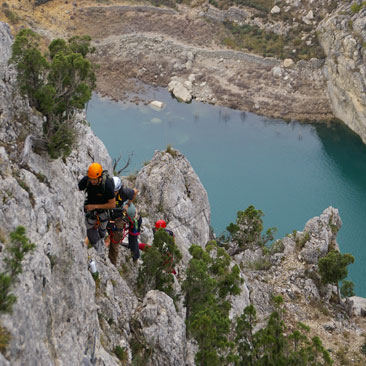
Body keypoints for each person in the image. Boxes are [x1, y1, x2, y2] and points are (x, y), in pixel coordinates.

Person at [78, 163, 115, 259]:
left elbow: (112, 204)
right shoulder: (87, 180)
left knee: (102, 231)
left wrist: (94, 206)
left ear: (100, 177)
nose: (92, 181)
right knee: (90, 231)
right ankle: (100, 253)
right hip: (91, 211)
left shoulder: (107, 185)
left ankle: (101, 241)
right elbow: (75, 190)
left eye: (94, 179)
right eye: (91, 179)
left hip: (103, 211)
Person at [107, 176, 140, 264]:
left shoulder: (125, 192)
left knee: (130, 239)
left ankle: (134, 258)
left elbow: (135, 192)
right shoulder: (107, 192)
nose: (114, 193)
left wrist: (128, 204)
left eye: (115, 191)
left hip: (126, 217)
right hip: (113, 214)